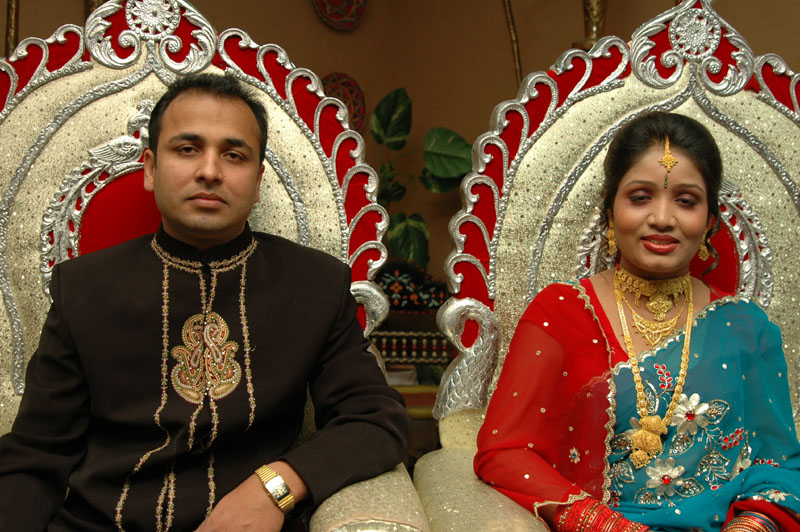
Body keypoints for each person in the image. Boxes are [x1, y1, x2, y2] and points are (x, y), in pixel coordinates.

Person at [0, 73, 411, 531]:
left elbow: (378, 420)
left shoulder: (314, 285)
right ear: (150, 168)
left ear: (257, 180)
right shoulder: (83, 288)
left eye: (234, 155)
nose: (210, 171)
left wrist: (275, 487)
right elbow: (36, 455)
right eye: (187, 149)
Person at [474, 112, 800, 531]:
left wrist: (751, 526)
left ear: (710, 221)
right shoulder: (561, 313)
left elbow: (780, 465)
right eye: (640, 197)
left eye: (686, 201)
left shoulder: (746, 328)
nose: (663, 218)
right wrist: (606, 525)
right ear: (610, 212)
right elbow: (504, 451)